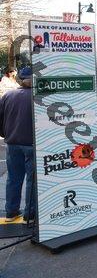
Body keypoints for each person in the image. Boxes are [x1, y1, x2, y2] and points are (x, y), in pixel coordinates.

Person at [0, 67, 35, 222]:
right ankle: (30, 215)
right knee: (32, 181)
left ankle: (11, 212)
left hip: (12, 143)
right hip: (32, 144)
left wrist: (5, 134)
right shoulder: (37, 97)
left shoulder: (8, 96)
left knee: (13, 178)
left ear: (20, 80)